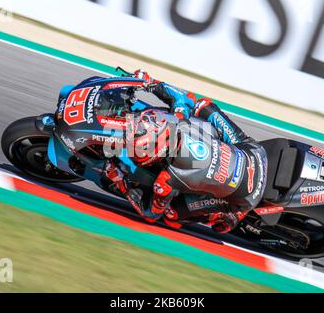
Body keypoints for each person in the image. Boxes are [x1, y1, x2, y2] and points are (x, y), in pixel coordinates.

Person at [104, 70, 267, 233]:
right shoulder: (180, 121)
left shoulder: (167, 179)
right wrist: (150, 83)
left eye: (138, 150)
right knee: (202, 106)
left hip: (246, 196)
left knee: (170, 215)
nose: (134, 152)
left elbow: (151, 214)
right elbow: (185, 98)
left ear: (154, 154)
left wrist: (120, 181)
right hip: (255, 153)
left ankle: (228, 214)